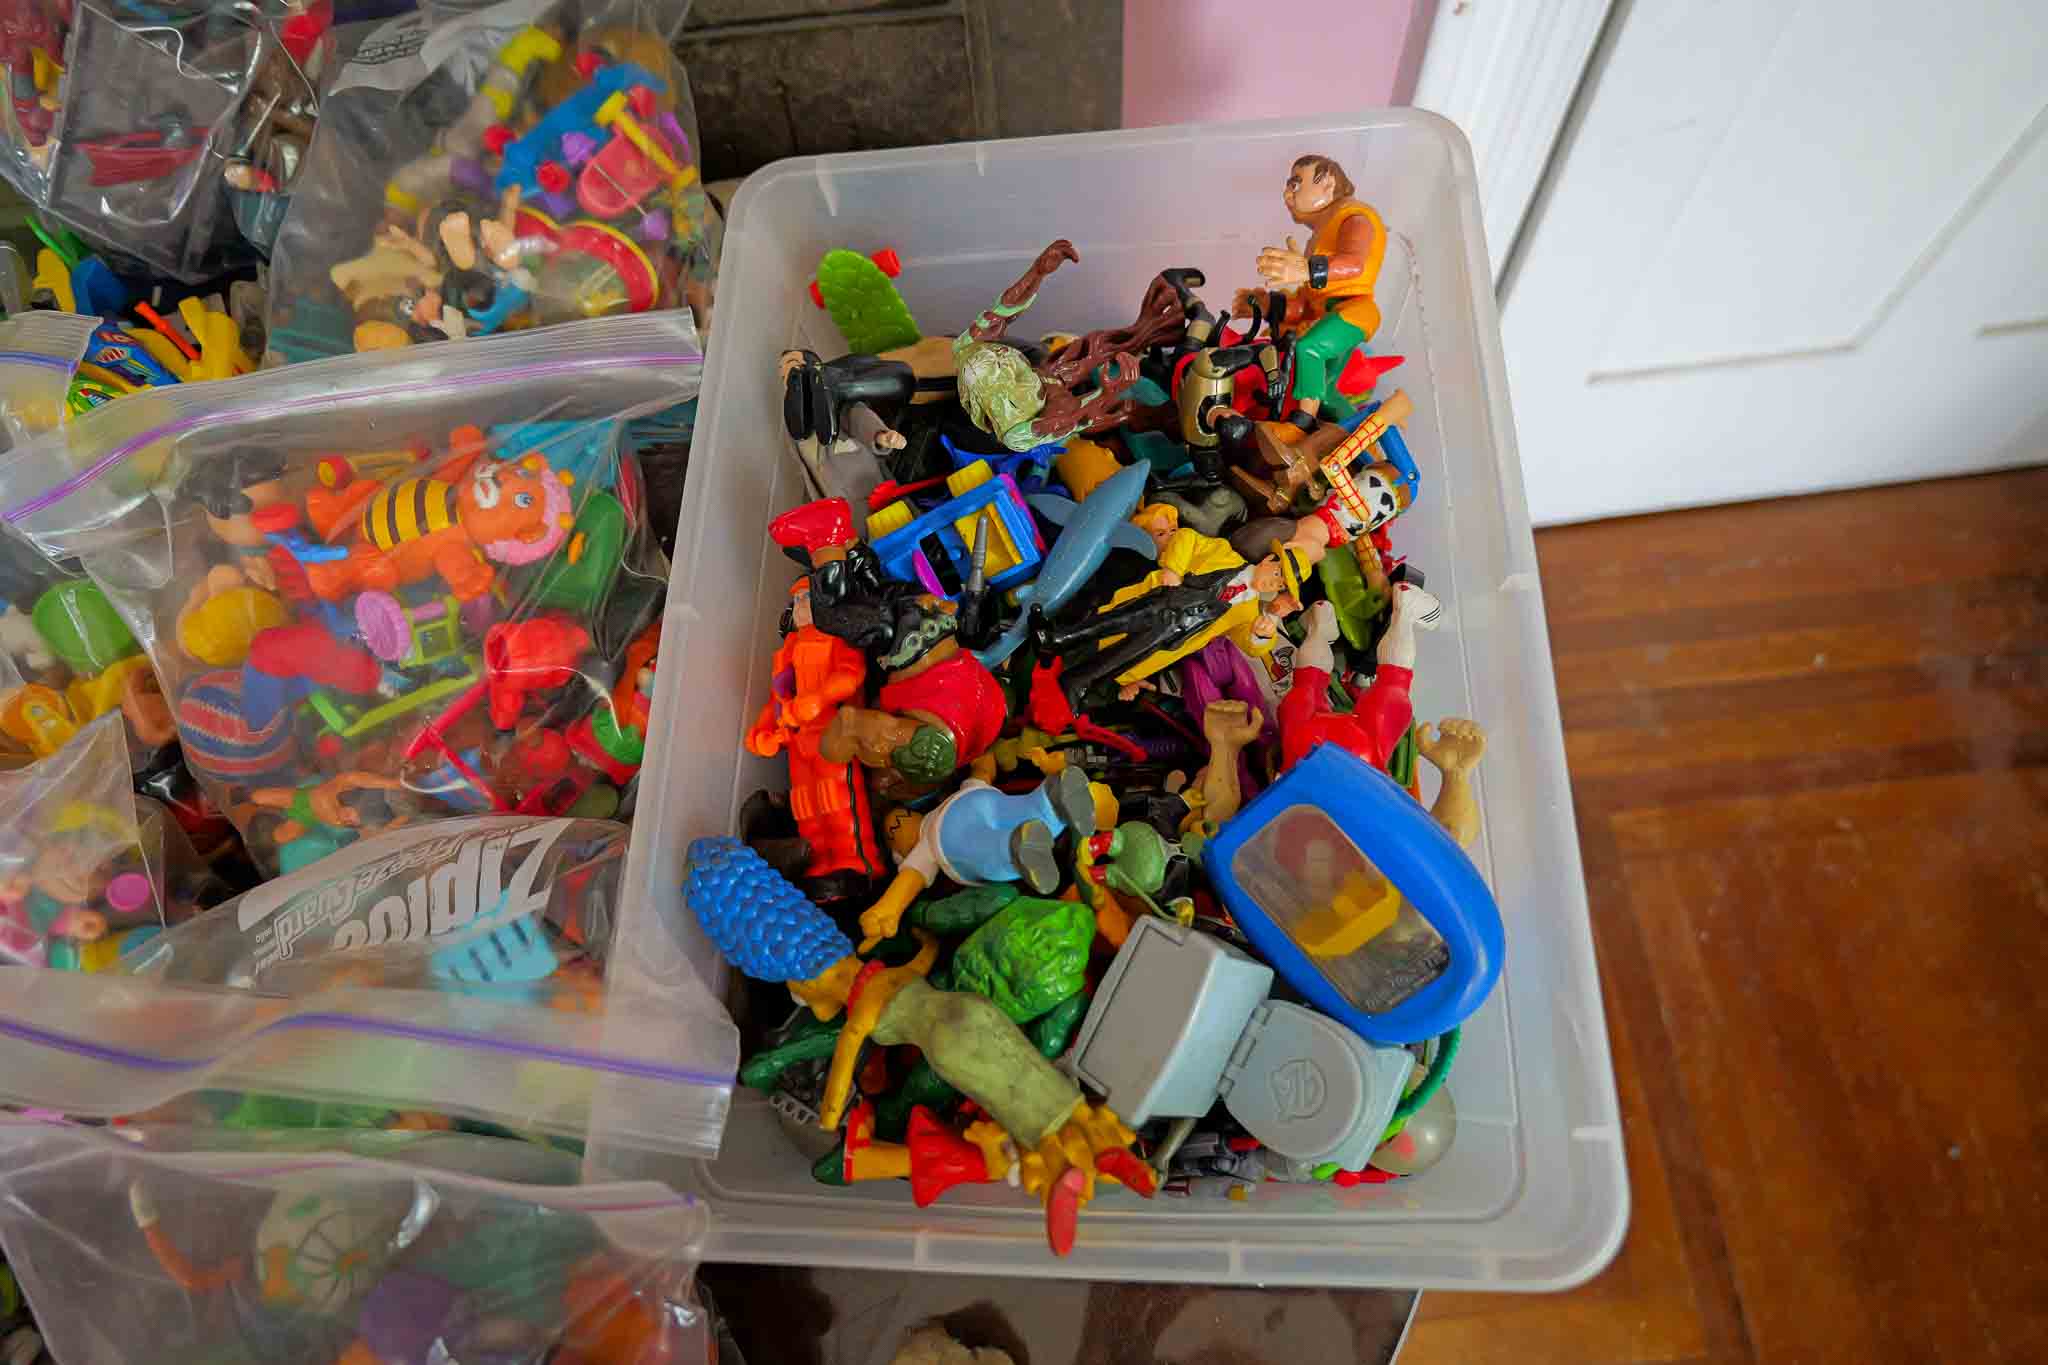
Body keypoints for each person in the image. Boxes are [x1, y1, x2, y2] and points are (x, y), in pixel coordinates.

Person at [857, 767, 1098, 951]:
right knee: (1026, 808)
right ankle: (1051, 799)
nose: (899, 825)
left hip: (952, 838)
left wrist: (887, 910)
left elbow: (908, 882)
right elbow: (982, 772)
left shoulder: (926, 848)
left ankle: (1013, 850)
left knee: (985, 851)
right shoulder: (959, 795)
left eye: (896, 826)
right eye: (894, 831)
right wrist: (985, 762)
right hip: (981, 799)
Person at [1235, 154, 1387, 439]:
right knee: (1327, 390)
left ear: (1327, 183)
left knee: (1310, 348)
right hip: (1328, 313)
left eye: (1295, 184)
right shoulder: (1320, 238)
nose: (1287, 194)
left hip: (1354, 309)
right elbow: (1304, 307)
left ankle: (1300, 425)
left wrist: (1306, 268)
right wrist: (1267, 305)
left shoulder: (1354, 217)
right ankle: (1370, 441)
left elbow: (1355, 264)